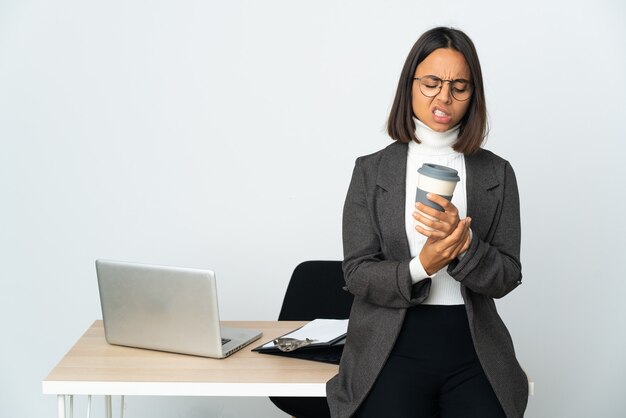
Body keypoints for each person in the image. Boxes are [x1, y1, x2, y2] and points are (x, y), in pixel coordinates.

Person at [326, 27, 528, 418]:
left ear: (474, 95)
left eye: (459, 87)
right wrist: (424, 265)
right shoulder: (371, 171)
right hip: (390, 343)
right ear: (410, 86)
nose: (444, 97)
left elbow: (507, 276)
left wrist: (464, 247)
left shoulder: (497, 173)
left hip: (472, 345)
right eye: (432, 83)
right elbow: (356, 274)